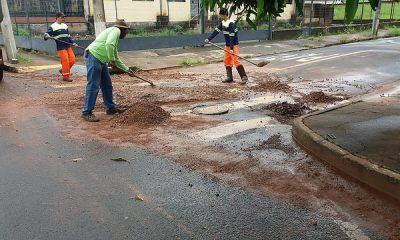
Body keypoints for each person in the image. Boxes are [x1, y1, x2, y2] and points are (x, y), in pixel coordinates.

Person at [81, 19, 136, 122]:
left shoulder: (114, 37)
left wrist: (127, 70)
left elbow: (116, 57)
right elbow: (109, 45)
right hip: (94, 57)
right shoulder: (116, 30)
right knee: (93, 85)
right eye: (126, 31)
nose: (126, 33)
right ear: (122, 29)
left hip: (100, 60)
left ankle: (110, 108)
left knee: (107, 85)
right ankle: (87, 112)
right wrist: (111, 60)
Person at [204, 8, 248, 84]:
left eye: (220, 15)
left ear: (224, 15)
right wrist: (209, 39)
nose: (219, 17)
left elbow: (232, 37)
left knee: (236, 61)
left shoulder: (231, 24)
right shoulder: (223, 23)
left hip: (233, 45)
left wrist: (231, 48)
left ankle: (244, 77)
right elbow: (215, 32)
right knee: (227, 60)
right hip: (227, 45)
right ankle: (229, 77)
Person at [44, 12, 77, 82]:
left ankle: (63, 70)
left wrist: (73, 43)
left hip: (67, 46)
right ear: (57, 17)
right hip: (61, 47)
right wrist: (46, 36)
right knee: (65, 61)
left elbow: (68, 36)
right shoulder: (53, 26)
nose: (64, 18)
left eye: (64, 17)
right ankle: (65, 77)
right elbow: (47, 34)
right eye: (62, 17)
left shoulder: (65, 25)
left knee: (72, 60)